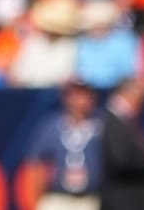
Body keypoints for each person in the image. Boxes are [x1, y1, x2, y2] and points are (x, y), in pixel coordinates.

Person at [25, 77, 104, 210]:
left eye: (84, 94)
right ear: (66, 97)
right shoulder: (52, 125)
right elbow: (35, 164)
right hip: (58, 198)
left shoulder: (102, 125)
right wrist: (36, 200)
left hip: (91, 198)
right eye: (75, 94)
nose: (80, 100)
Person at [99, 76, 144, 210]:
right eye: (142, 96)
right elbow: (120, 159)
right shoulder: (112, 121)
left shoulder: (127, 121)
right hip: (125, 199)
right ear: (129, 93)